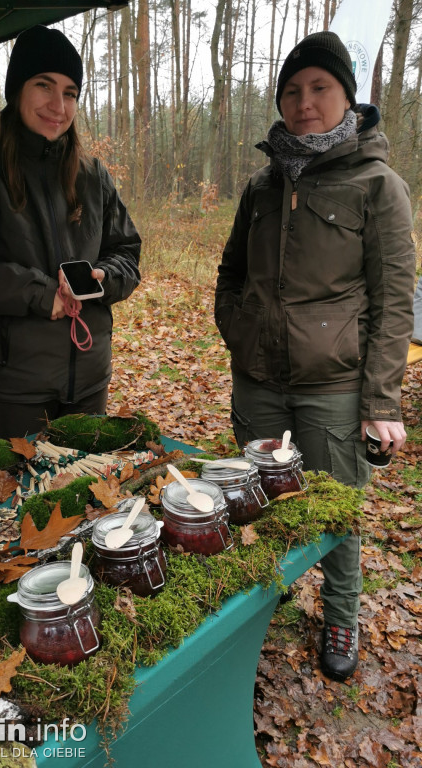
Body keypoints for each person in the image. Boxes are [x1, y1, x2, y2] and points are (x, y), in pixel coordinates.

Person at [214, 31, 416, 681]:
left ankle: (340, 615)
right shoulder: (261, 186)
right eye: (293, 90)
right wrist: (239, 332)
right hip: (260, 383)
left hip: (334, 387)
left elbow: (394, 303)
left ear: (347, 98)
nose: (305, 102)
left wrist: (381, 400)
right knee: (257, 502)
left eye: (320, 87)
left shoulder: (377, 185)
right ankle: (264, 600)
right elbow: (230, 273)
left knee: (335, 511)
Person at [0, 25, 141, 439]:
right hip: (17, 388)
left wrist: (103, 277)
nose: (58, 105)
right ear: (16, 89)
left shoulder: (92, 174)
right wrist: (41, 295)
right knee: (22, 500)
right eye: (44, 85)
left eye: (70, 92)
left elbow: (126, 251)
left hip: (89, 380)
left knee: (86, 497)